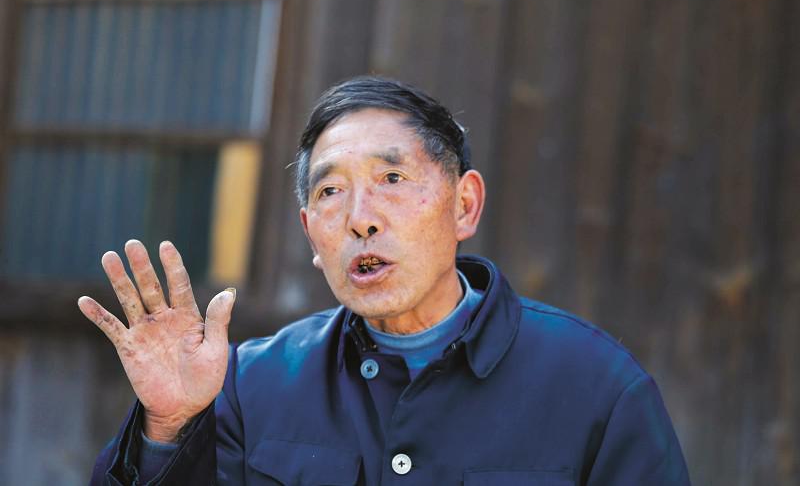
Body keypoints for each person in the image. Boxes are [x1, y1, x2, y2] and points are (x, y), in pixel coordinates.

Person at [80, 76, 691, 485]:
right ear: (310, 235)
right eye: (330, 191)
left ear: (464, 206)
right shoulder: (250, 386)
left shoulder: (598, 388)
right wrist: (170, 428)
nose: (360, 219)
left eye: (392, 179)